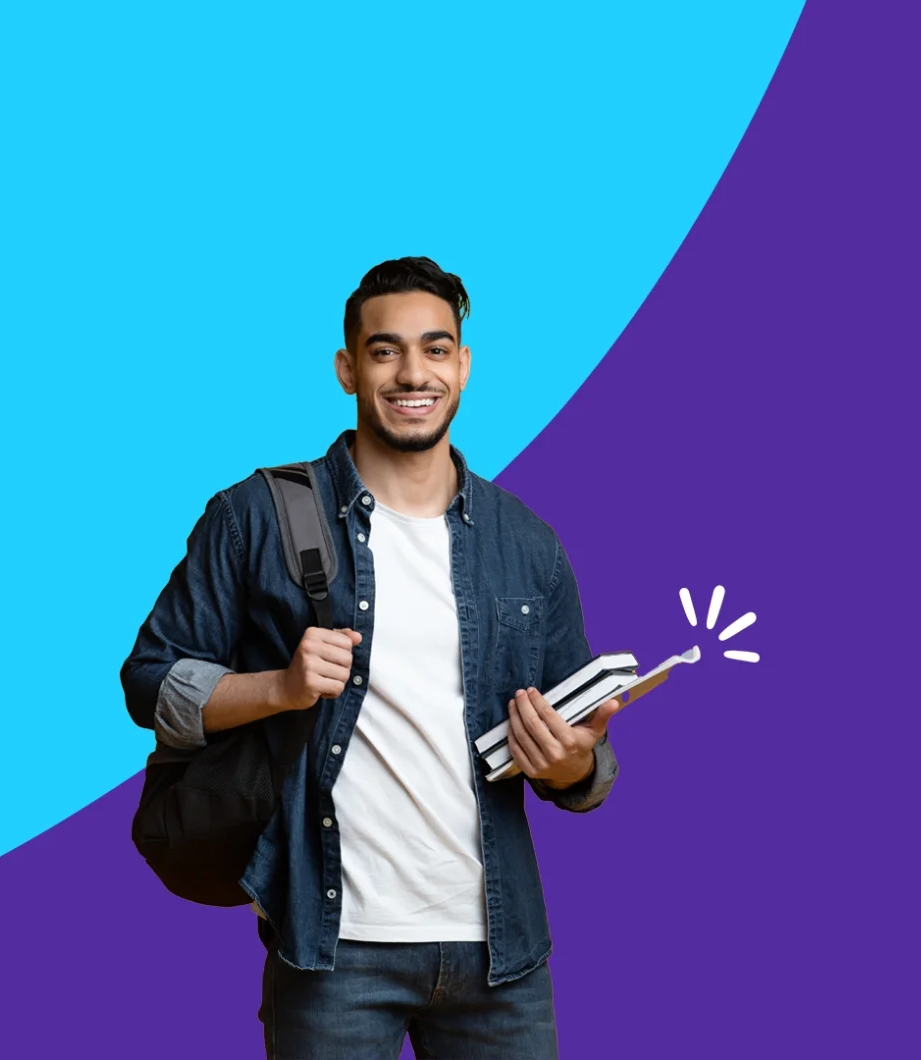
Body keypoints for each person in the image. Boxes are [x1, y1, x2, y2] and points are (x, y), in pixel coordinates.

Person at [120, 256, 621, 1059]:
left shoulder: (527, 545)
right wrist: (278, 688)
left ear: (462, 365)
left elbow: (584, 767)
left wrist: (570, 765)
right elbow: (151, 682)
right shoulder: (256, 516)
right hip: (333, 949)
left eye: (435, 348)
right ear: (348, 368)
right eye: (385, 351)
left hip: (503, 952)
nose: (412, 372)